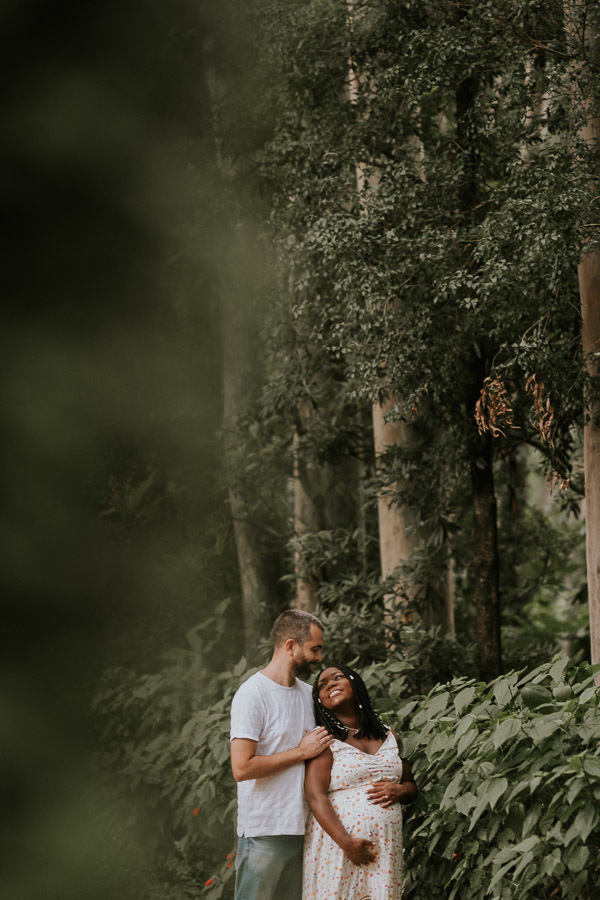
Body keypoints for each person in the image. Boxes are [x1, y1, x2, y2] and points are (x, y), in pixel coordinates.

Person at [230, 609, 334, 900]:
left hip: (307, 830)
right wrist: (300, 752)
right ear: (290, 646)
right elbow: (241, 768)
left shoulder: (309, 694)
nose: (319, 657)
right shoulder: (253, 694)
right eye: (314, 649)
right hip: (265, 832)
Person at [302, 664, 418, 899]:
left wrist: (400, 791)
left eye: (337, 677)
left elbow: (410, 786)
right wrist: (346, 843)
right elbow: (315, 796)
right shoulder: (323, 739)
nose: (330, 684)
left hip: (385, 849)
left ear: (355, 684)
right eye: (322, 685)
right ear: (320, 701)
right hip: (338, 846)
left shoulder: (389, 735)